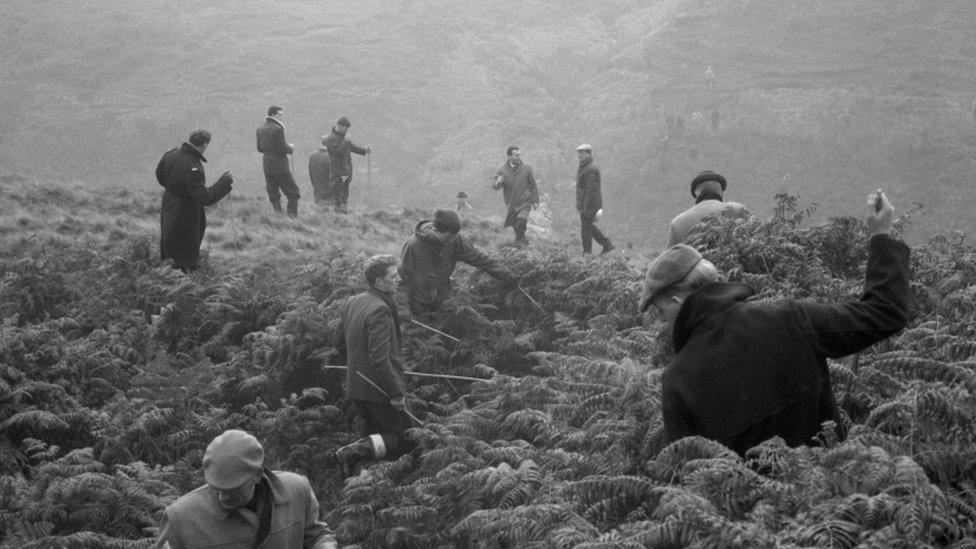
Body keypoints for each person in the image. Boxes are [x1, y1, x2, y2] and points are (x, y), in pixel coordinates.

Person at [639, 190, 910, 456]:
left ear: (676, 301)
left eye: (660, 311)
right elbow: (884, 312)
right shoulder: (788, 319)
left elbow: (690, 483)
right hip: (832, 490)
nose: (663, 322)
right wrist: (880, 236)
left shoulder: (677, 381)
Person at [155, 429, 338, 549]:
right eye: (216, 488)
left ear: (257, 475)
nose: (223, 497)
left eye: (233, 489)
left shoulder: (296, 490)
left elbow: (317, 536)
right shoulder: (180, 517)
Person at [332, 255, 416, 477]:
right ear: (379, 282)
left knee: (377, 436)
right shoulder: (380, 309)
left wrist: (358, 364)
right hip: (379, 391)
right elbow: (380, 359)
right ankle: (350, 454)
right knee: (407, 438)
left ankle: (356, 483)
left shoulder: (353, 301)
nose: (398, 278)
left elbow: (339, 344)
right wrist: (396, 393)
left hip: (357, 387)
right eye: (393, 275)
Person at [399, 209, 516, 315]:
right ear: (435, 230)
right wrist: (402, 309)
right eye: (449, 237)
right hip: (419, 299)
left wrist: (504, 273)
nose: (453, 240)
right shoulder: (414, 246)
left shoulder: (456, 239)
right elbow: (401, 280)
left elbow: (479, 258)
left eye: (455, 236)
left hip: (444, 294)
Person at [156, 129, 233, 273]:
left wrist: (174, 190)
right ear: (204, 145)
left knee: (169, 246)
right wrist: (224, 182)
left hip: (168, 205)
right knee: (186, 254)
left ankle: (167, 278)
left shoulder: (169, 155)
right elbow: (204, 197)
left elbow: (160, 176)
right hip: (186, 214)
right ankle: (185, 283)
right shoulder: (193, 167)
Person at [666, 170, 751, 247]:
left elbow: (669, 261)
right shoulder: (737, 210)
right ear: (722, 193)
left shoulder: (677, 224)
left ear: (696, 194)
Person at [256, 106, 300, 217]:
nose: (282, 117)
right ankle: (292, 217)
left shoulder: (260, 129)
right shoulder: (277, 129)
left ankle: (278, 215)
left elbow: (260, 148)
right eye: (280, 114)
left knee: (273, 193)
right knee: (293, 192)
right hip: (280, 166)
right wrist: (290, 148)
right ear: (273, 114)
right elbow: (282, 149)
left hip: (267, 166)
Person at [492, 145, 540, 244]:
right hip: (511, 203)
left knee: (522, 220)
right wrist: (499, 182)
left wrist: (535, 201)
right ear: (509, 156)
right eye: (516, 155)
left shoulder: (527, 168)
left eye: (520, 155)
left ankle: (518, 243)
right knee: (517, 225)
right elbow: (495, 186)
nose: (519, 157)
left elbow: (534, 186)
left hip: (525, 201)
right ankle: (523, 241)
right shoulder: (501, 170)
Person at [324, 116, 371, 213]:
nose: (346, 130)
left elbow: (352, 147)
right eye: (345, 128)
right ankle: (338, 213)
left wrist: (364, 150)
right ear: (339, 126)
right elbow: (338, 152)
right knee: (338, 192)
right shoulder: (331, 138)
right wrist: (346, 141)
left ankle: (345, 212)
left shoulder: (343, 137)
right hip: (337, 171)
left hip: (346, 170)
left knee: (345, 192)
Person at [575, 144, 614, 255]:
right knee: (588, 226)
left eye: (582, 153)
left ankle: (587, 252)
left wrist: (586, 206)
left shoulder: (591, 169)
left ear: (589, 153)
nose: (579, 156)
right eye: (579, 153)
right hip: (584, 203)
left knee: (585, 230)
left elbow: (591, 190)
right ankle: (607, 244)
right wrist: (579, 205)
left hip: (590, 204)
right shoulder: (584, 166)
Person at [308, 135, 332, 206]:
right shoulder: (331, 157)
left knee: (320, 213)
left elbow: (311, 173)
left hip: (318, 192)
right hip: (330, 194)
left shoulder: (312, 155)